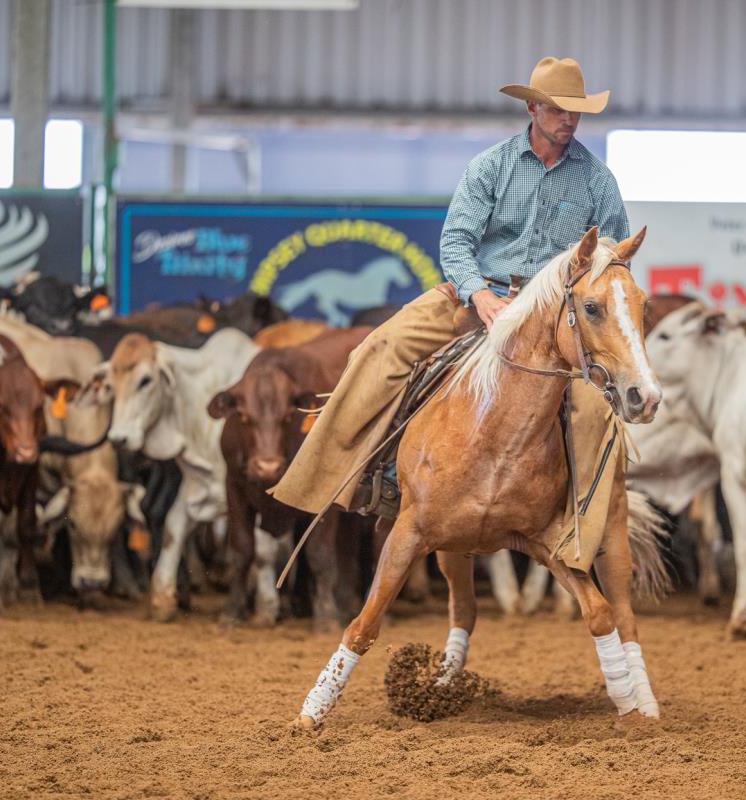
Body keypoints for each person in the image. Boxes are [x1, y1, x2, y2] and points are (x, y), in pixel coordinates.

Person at [270, 56, 632, 570]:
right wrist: (478, 294)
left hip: (556, 316)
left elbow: (611, 257)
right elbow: (457, 241)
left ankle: (580, 527)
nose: (568, 119)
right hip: (481, 297)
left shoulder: (597, 180)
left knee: (596, 409)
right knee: (381, 347)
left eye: (576, 111)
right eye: (557, 109)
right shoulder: (491, 166)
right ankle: (349, 475)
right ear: (532, 108)